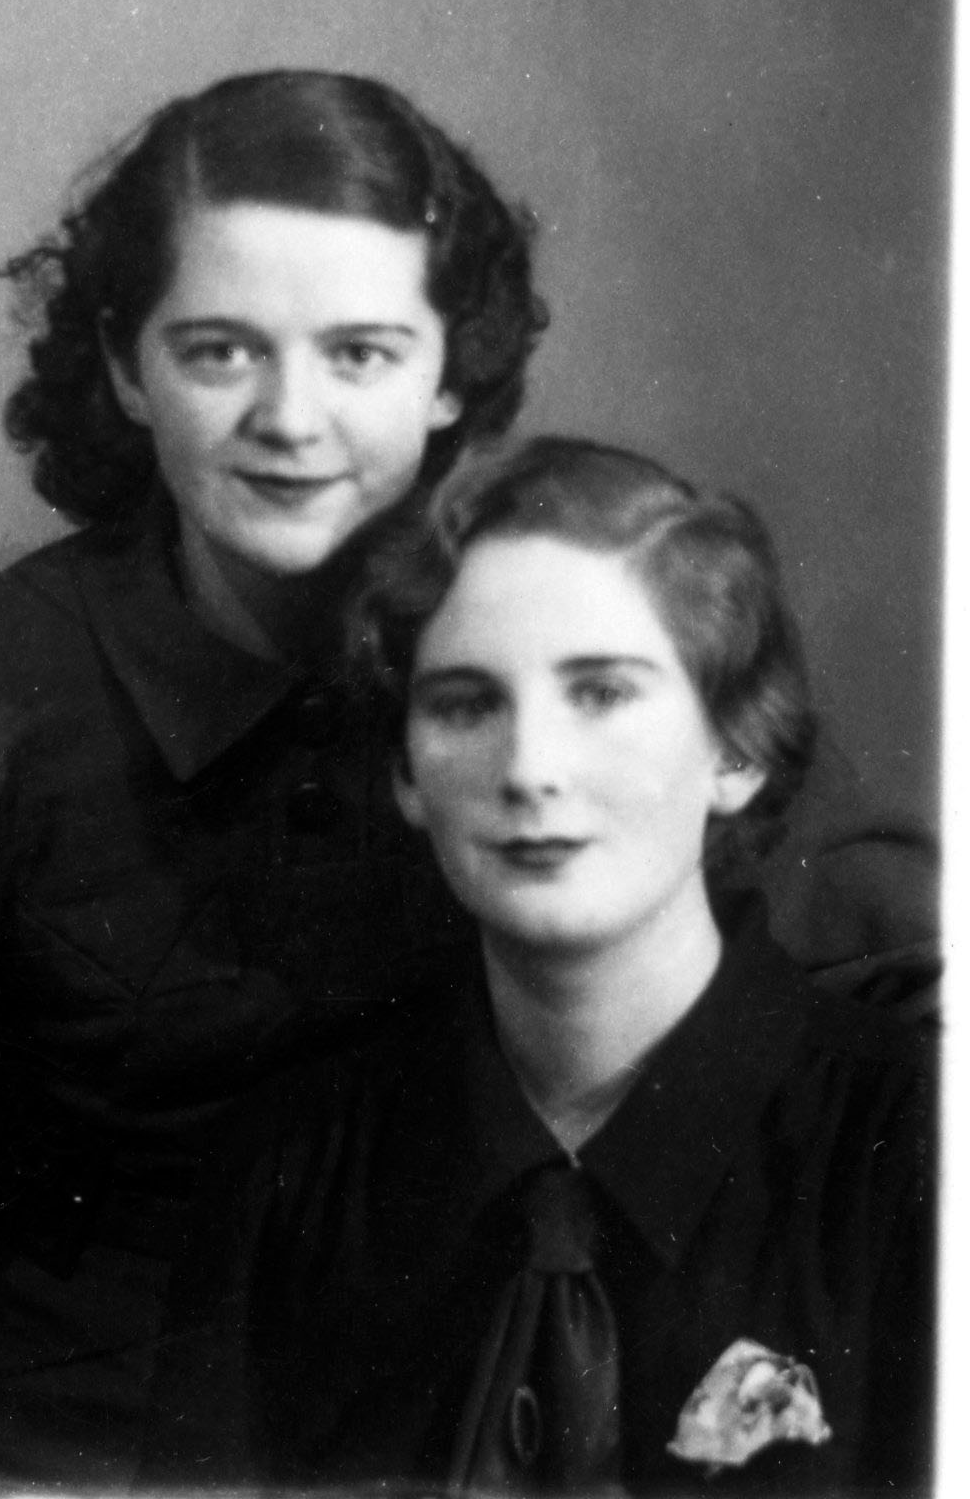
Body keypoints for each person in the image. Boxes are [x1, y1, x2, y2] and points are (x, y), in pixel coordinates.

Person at [0, 71, 933, 1486]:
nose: (289, 419)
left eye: (360, 353)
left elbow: (885, 1008)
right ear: (125, 367)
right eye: (220, 352)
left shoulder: (563, 649)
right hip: (53, 1454)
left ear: (449, 374)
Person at [169, 440, 934, 1490]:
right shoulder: (291, 1169)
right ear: (405, 773)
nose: (530, 769)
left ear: (736, 748)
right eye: (465, 704)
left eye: (602, 693)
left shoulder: (919, 1149)